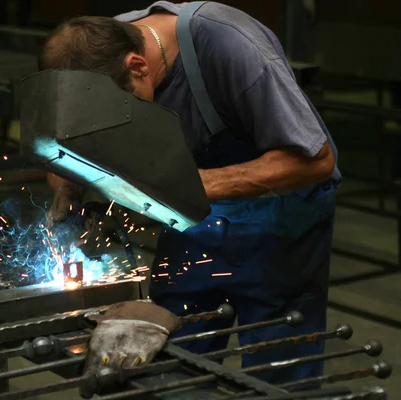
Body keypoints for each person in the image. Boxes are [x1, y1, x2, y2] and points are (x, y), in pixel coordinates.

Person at [40, 1, 340, 384]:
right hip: (192, 220)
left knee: (277, 371)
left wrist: (186, 187)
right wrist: (69, 188)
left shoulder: (230, 45)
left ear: (138, 67)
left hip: (279, 215)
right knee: (173, 362)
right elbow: (69, 141)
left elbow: (315, 160)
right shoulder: (94, 53)